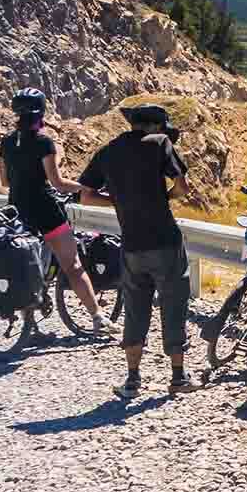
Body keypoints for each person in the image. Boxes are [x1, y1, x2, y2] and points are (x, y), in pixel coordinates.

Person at [78, 103, 195, 398]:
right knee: (173, 303)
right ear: (155, 126)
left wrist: (119, 201)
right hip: (165, 241)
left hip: (131, 244)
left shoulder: (108, 151)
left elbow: (87, 196)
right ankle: (178, 377)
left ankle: (132, 380)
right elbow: (182, 187)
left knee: (135, 308)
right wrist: (162, 198)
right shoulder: (160, 142)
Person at [0, 88, 115, 340]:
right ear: (41, 112)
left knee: (28, 265)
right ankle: (98, 318)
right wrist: (84, 187)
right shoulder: (43, 142)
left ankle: (30, 326)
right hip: (45, 209)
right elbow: (58, 183)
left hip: (16, 210)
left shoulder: (6, 142)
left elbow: (5, 181)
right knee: (73, 265)